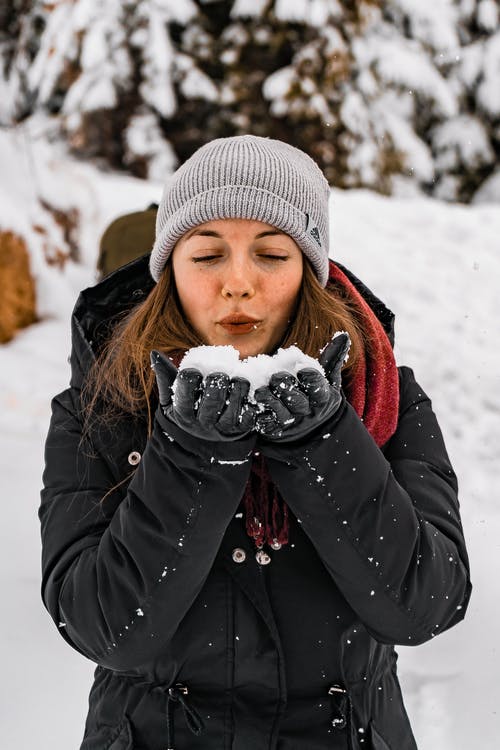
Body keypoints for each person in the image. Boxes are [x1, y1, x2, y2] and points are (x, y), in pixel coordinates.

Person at [39, 135, 471, 750]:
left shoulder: (385, 398)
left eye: (270, 254)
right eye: (207, 255)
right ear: (169, 271)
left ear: (308, 270)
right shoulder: (103, 404)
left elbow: (423, 606)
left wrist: (323, 441)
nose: (238, 283)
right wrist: (191, 454)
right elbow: (104, 628)